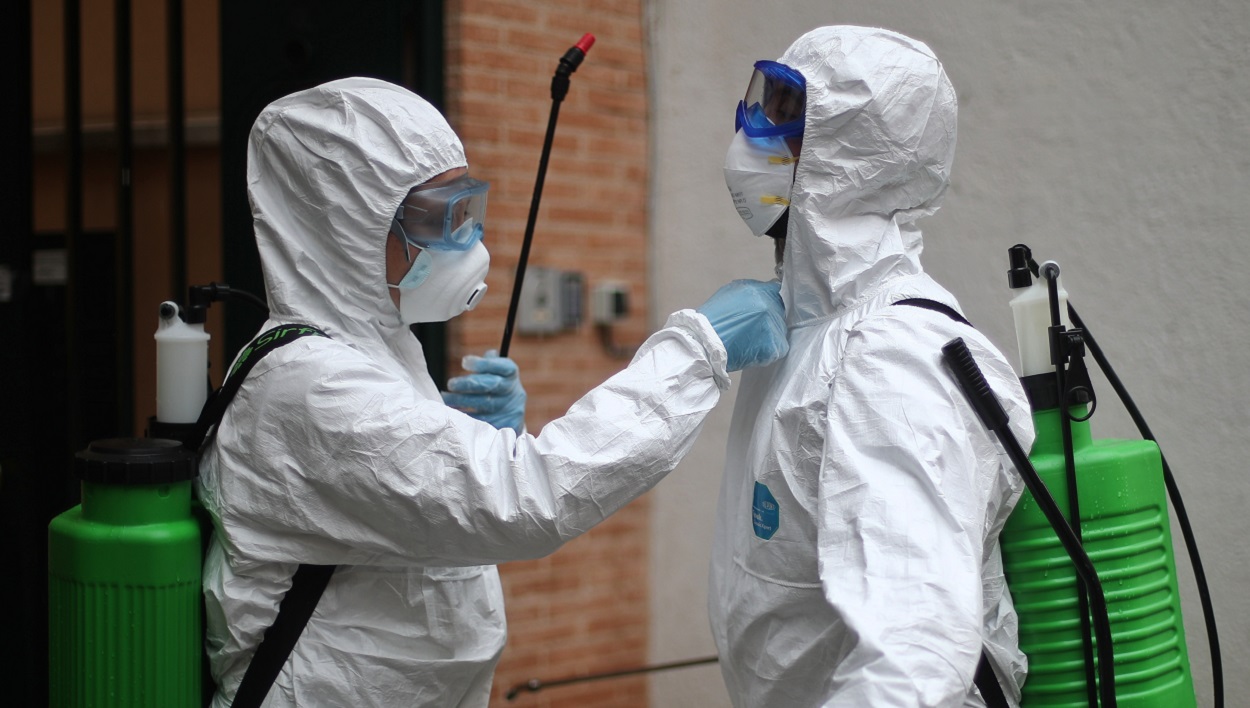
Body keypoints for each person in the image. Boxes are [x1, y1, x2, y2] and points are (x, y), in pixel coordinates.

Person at [197, 77, 788, 708]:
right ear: (343, 230)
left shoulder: (374, 351)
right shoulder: (308, 384)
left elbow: (418, 519)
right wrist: (699, 351)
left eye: (467, 207)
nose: (468, 240)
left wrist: (463, 435)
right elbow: (528, 497)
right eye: (438, 217)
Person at [708, 26, 1038, 707]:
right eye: (758, 99)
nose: (752, 128)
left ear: (847, 152)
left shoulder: (887, 359)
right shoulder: (808, 332)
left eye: (781, 110)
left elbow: (917, 662)